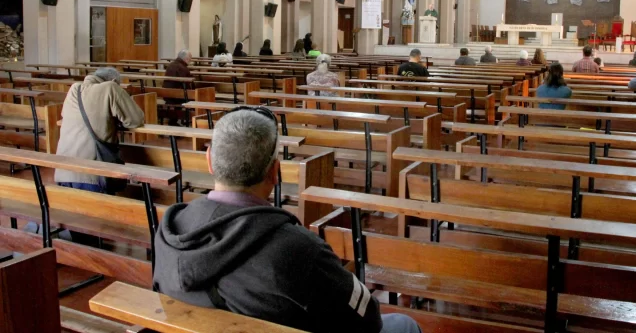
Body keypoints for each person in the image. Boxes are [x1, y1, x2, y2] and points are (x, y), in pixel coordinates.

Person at [153, 109, 421, 333]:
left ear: (209, 161)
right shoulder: (298, 248)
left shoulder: (171, 227)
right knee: (403, 324)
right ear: (275, 172)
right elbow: (367, 319)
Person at [55, 67, 145, 193]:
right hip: (92, 174)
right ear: (114, 81)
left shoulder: (74, 89)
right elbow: (136, 119)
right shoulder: (110, 87)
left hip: (63, 171)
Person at [164, 49, 194, 126]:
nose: (190, 61)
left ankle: (173, 120)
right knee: (193, 96)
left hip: (167, 95)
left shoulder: (170, 65)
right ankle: (194, 119)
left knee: (180, 94)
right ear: (186, 59)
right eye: (190, 59)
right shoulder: (183, 68)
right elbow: (187, 85)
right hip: (177, 97)